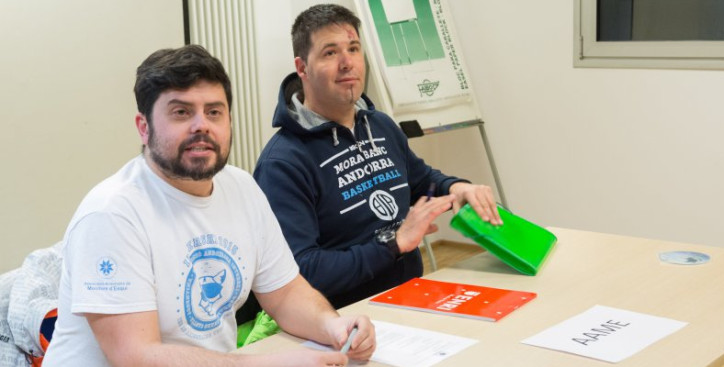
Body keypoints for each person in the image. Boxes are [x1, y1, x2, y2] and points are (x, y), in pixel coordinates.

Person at [43, 44, 375, 367]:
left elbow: (286, 293)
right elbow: (135, 356)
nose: (201, 125)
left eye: (214, 112)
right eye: (181, 112)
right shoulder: (112, 213)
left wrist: (333, 326)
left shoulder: (242, 187)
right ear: (144, 128)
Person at [253, 4, 503, 310]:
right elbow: (301, 274)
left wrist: (456, 188)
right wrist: (393, 245)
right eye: (330, 53)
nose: (348, 63)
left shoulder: (381, 125)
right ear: (302, 67)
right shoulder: (282, 164)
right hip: (341, 323)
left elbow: (420, 181)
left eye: (354, 48)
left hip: (410, 298)